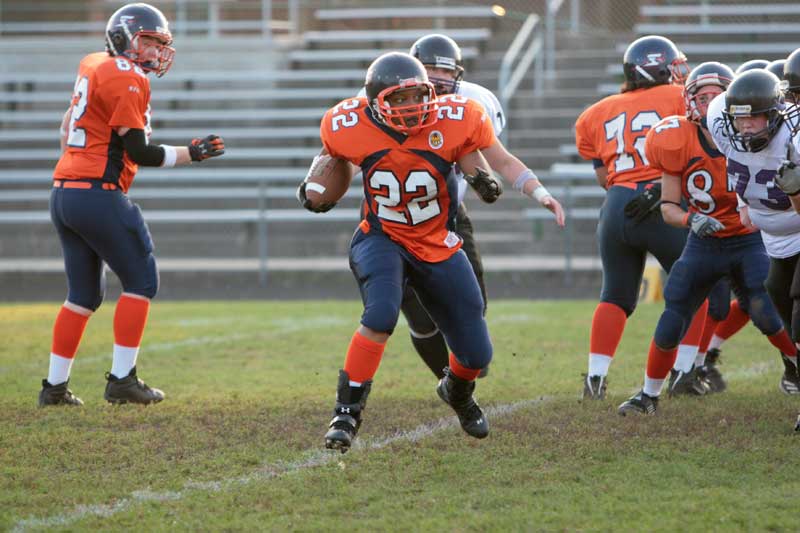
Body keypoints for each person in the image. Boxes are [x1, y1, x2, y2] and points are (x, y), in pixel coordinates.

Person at [298, 52, 563, 453]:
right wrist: (313, 188)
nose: (412, 107)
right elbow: (333, 163)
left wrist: (527, 190)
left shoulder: (458, 117)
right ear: (375, 102)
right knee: (381, 315)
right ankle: (346, 413)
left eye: (417, 96)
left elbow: (491, 160)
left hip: (437, 240)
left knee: (476, 353)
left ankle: (457, 391)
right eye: (399, 100)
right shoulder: (347, 123)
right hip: (381, 236)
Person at [39, 3, 225, 407]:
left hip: (63, 190)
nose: (156, 54)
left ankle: (53, 388)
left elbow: (65, 125)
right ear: (123, 37)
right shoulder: (128, 77)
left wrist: (75, 169)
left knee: (83, 296)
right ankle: (123, 379)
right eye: (149, 43)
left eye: (160, 45)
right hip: (97, 192)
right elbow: (139, 152)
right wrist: (192, 153)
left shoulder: (93, 63)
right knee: (142, 281)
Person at [617, 62, 799, 415]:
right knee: (676, 306)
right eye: (703, 97)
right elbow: (669, 206)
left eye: (717, 96)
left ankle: (792, 365)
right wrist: (691, 219)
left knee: (766, 310)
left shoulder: (776, 137)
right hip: (705, 241)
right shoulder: (677, 139)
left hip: (749, 239)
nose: (710, 104)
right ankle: (649, 393)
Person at [398, 33, 564, 380]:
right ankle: (450, 382)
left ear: (458, 74)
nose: (436, 79)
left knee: (474, 306)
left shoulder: (472, 104)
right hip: (393, 220)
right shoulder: (387, 102)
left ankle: (463, 370)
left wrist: (539, 192)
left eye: (442, 71)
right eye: (427, 69)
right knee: (413, 313)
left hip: (447, 215)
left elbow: (499, 160)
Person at [574, 35, 709, 399]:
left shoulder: (595, 113)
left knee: (615, 295)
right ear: (661, 68)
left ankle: (595, 377)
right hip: (663, 200)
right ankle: (683, 372)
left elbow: (604, 177)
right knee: (697, 286)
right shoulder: (680, 97)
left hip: (617, 205)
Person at [707, 68, 800, 393]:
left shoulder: (794, 137)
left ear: (774, 113)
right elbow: (739, 166)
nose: (744, 126)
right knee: (779, 299)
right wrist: (744, 204)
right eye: (739, 118)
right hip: (773, 239)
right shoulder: (720, 121)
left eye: (754, 118)